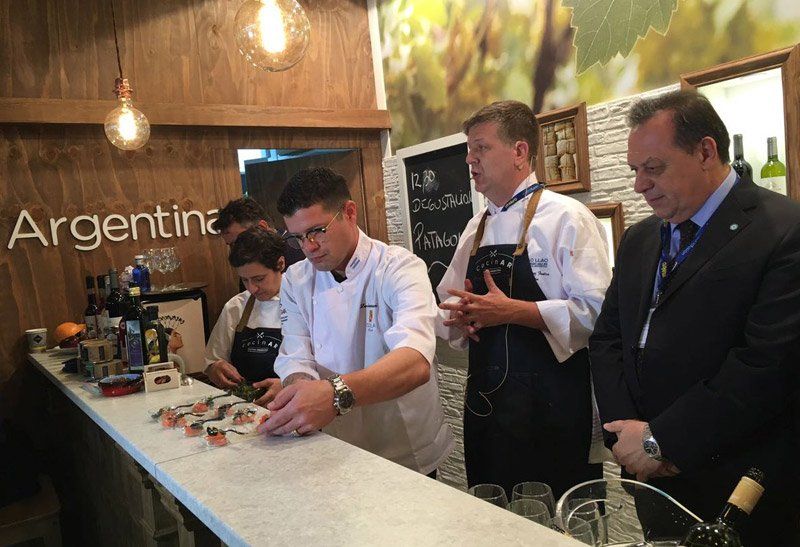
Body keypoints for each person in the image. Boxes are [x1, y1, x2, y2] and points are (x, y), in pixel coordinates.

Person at [589, 89, 800, 544]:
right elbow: (607, 338)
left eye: (653, 168)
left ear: (705, 152)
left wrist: (661, 440)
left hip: (737, 483)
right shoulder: (640, 238)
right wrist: (626, 437)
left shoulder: (783, 230)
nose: (639, 185)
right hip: (651, 475)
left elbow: (765, 366)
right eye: (634, 170)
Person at [436, 100, 612, 500]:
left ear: (519, 151)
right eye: (469, 150)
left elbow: (597, 314)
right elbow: (448, 304)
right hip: (488, 405)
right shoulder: (475, 227)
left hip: (554, 405)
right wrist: (459, 317)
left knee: (560, 513)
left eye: (481, 148)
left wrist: (512, 312)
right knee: (493, 511)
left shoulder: (568, 218)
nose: (470, 159)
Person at [261, 167, 453, 476]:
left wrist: (333, 395)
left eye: (317, 231)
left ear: (349, 212)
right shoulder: (296, 280)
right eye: (298, 238)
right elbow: (296, 354)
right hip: (333, 442)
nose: (309, 247)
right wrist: (301, 393)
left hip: (402, 445)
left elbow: (415, 362)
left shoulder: (398, 267)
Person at [204, 227, 285, 406]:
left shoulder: (304, 302)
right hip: (244, 408)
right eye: (245, 280)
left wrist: (289, 384)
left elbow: (324, 370)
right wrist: (215, 368)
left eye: (259, 279)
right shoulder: (236, 307)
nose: (252, 288)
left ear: (280, 264)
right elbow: (212, 362)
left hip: (291, 407)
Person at [213, 196, 305, 265]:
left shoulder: (297, 254)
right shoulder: (251, 259)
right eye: (231, 246)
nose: (236, 251)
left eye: (240, 242)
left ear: (262, 228)